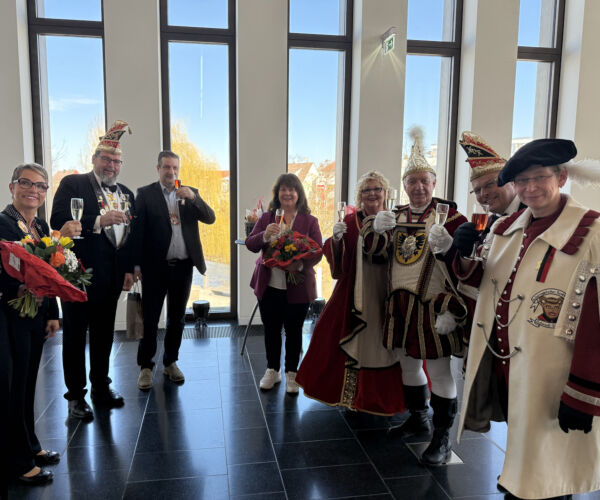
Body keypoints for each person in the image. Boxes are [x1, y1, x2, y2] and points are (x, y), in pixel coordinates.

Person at [453, 139, 600, 500]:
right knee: (529, 456)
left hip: (556, 377)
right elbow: (485, 286)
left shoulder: (592, 234)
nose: (531, 188)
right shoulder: (507, 229)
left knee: (549, 471)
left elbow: (596, 322)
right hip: (511, 368)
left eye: (540, 178)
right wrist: (458, 254)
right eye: (522, 181)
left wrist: (584, 394)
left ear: (561, 177)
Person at [373, 126, 468, 465]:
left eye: (423, 181)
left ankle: (442, 438)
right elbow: (379, 259)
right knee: (407, 364)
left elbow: (466, 267)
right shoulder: (394, 215)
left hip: (433, 306)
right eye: (411, 181)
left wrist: (453, 310)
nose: (417, 187)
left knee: (440, 372)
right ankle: (418, 418)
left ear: (434, 183)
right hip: (399, 303)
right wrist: (376, 233)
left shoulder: (452, 217)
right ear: (405, 185)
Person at [296, 171, 405, 415]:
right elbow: (338, 262)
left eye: (377, 189)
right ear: (360, 195)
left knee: (387, 341)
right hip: (354, 291)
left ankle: (391, 397)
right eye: (367, 190)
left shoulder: (397, 219)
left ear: (385, 192)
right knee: (341, 338)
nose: (372, 194)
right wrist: (334, 241)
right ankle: (350, 396)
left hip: (389, 291)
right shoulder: (351, 220)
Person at [50, 120, 136, 420]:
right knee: (74, 336)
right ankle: (75, 397)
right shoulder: (74, 184)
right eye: (106, 159)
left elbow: (129, 238)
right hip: (79, 276)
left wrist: (129, 270)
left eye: (116, 161)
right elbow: (57, 218)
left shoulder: (126, 193)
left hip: (112, 276)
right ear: (94, 159)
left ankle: (101, 386)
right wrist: (97, 221)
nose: (111, 165)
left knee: (103, 335)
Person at [0, 163, 80, 484]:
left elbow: (48, 274)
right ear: (12, 187)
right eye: (26, 183)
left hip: (35, 314)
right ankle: (18, 462)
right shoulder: (5, 224)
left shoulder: (42, 226)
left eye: (41, 186)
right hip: (13, 316)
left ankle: (30, 446)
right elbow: (14, 273)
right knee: (15, 388)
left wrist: (52, 314)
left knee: (29, 383)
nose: (34, 190)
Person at [132, 150, 215, 390]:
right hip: (155, 267)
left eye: (175, 168)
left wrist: (194, 199)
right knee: (150, 319)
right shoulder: (145, 194)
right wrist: (135, 265)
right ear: (158, 168)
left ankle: (170, 362)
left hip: (183, 267)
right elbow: (137, 232)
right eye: (167, 167)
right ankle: (146, 367)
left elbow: (210, 218)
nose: (171, 172)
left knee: (177, 319)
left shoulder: (189, 192)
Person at [246, 173, 322, 394]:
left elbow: (317, 251)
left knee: (294, 331)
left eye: (292, 189)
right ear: (277, 194)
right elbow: (251, 243)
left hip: (298, 285)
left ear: (299, 194)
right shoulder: (268, 217)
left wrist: (298, 266)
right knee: (270, 330)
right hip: (268, 285)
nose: (287, 193)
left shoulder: (310, 220)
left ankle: (292, 373)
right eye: (283, 189)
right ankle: (272, 370)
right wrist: (264, 236)